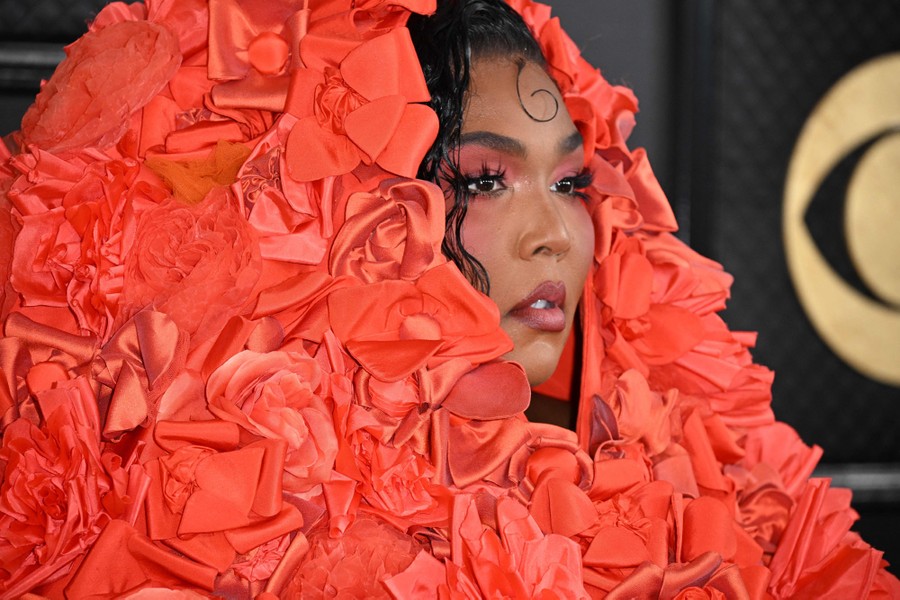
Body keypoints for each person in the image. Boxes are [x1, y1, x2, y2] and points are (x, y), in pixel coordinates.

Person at [0, 1, 896, 599]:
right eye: (486, 180)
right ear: (364, 212)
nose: (555, 234)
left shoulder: (688, 481)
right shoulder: (255, 524)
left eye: (571, 184)